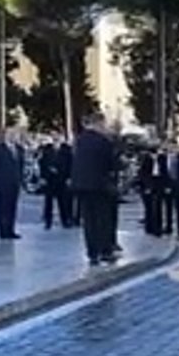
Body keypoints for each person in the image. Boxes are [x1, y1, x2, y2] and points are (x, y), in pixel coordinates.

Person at [73, 114, 119, 266]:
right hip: (100, 186)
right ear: (99, 124)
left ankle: (92, 253)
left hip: (82, 186)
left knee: (89, 221)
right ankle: (105, 251)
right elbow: (110, 164)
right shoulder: (103, 141)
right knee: (103, 219)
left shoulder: (80, 140)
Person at [0, 128, 24, 240]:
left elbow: (21, 166)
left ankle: (11, 229)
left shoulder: (19, 149)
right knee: (3, 207)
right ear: (5, 135)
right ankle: (3, 231)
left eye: (14, 134)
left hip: (15, 182)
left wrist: (21, 180)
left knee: (12, 207)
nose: (12, 136)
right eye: (10, 134)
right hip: (2, 182)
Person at [137, 146, 167, 236]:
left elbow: (165, 172)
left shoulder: (162, 159)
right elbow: (142, 174)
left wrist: (166, 186)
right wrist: (147, 186)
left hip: (158, 183)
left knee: (158, 206)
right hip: (148, 184)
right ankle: (149, 227)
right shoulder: (145, 159)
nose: (155, 156)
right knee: (149, 207)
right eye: (153, 154)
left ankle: (158, 228)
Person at [163, 143, 179, 239]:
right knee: (167, 208)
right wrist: (165, 185)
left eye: (174, 147)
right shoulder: (165, 157)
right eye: (170, 147)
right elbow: (164, 172)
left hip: (178, 186)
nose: (172, 149)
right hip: (168, 186)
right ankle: (168, 227)